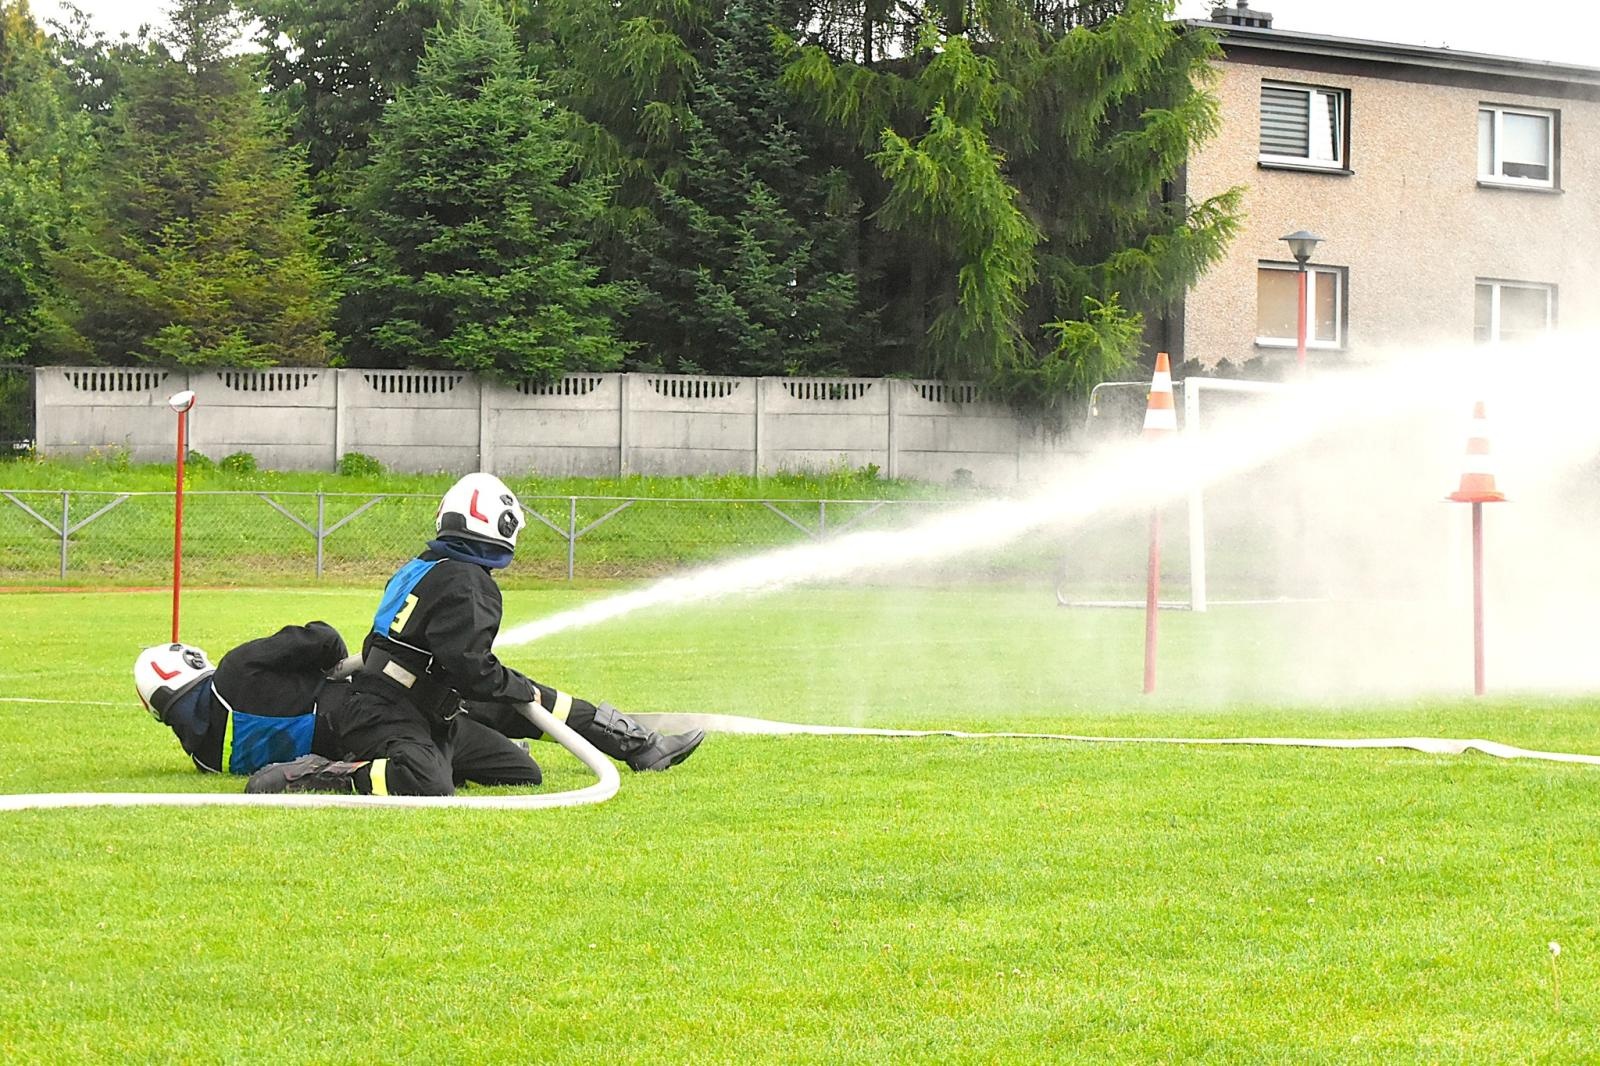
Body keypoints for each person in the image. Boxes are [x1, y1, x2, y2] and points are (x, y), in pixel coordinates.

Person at [245, 472, 704, 796]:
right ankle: (322, 775)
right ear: (499, 525)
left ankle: (638, 745)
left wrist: (519, 691)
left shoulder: (428, 565)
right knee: (428, 783)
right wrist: (519, 689)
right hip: (388, 711)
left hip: (427, 705)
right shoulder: (468, 581)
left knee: (522, 770)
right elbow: (474, 672)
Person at [134, 621, 544, 789]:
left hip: (349, 746)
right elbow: (322, 638)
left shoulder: (205, 760)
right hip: (364, 711)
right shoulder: (235, 670)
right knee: (456, 702)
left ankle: (452, 756)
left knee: (515, 768)